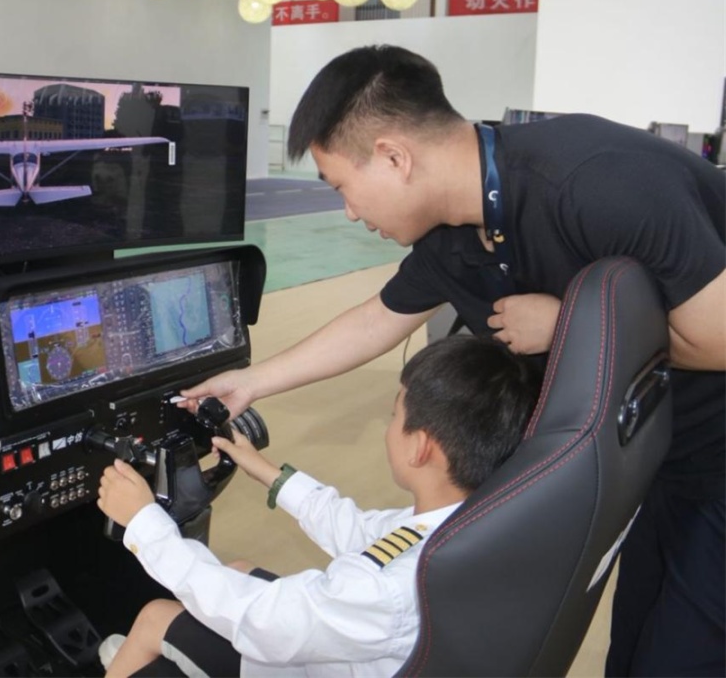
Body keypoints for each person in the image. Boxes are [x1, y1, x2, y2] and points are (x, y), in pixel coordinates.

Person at [177, 45, 725, 676]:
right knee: (638, 641)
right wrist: (251, 383)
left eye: (343, 187)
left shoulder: (593, 182)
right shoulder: (455, 233)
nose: (349, 211)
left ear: (394, 157)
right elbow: (377, 320)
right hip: (657, 451)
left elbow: (719, 338)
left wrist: (569, 325)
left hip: (716, 458)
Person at [96, 335, 543, 677]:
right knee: (239, 570)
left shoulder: (386, 588)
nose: (389, 427)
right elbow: (362, 533)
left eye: (395, 416)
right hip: (375, 656)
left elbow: (263, 622)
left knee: (155, 618)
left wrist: (145, 523)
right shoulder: (462, 524)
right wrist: (266, 471)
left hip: (338, 661)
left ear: (420, 448)